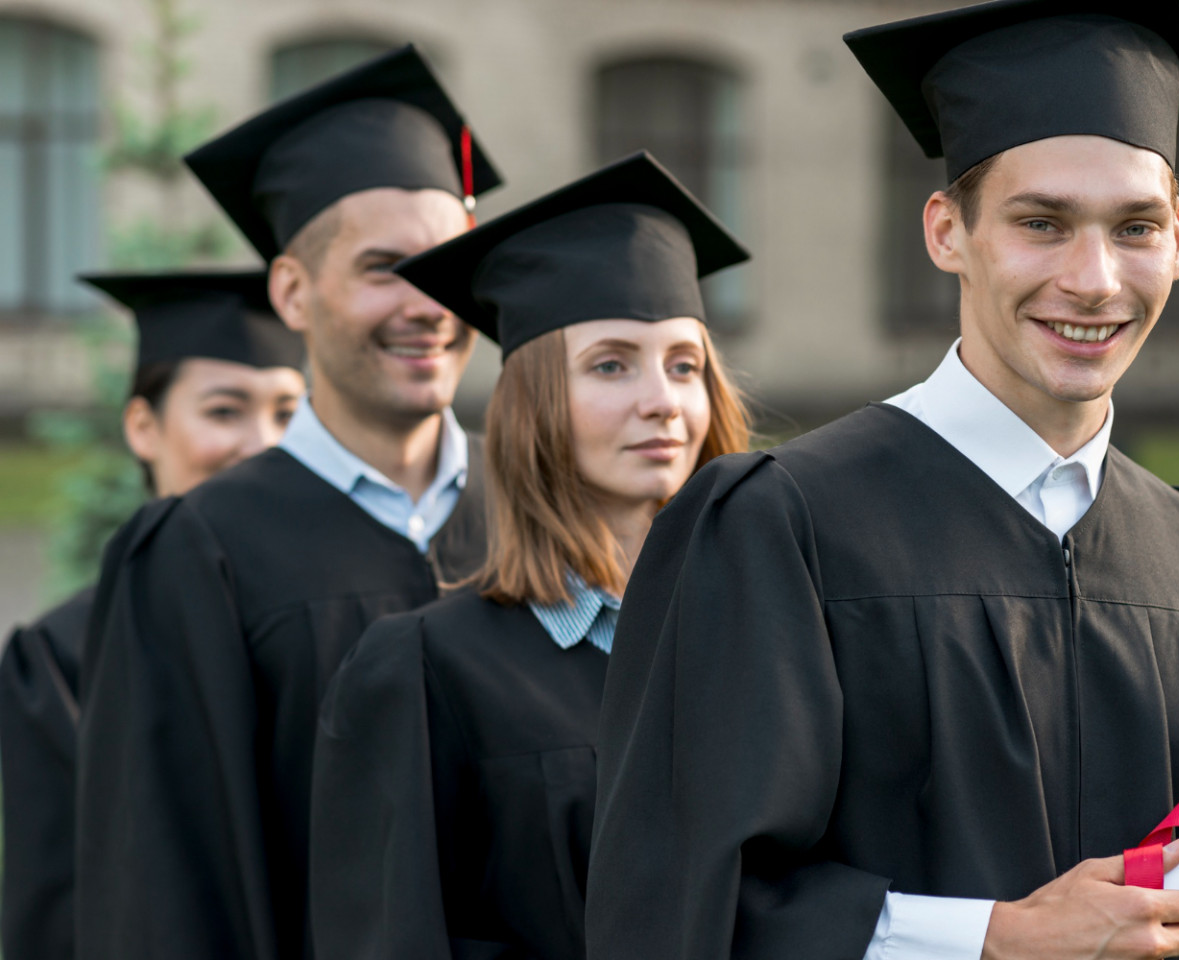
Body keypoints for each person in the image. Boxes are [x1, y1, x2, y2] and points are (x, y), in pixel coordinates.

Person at [587, 4, 1179, 960]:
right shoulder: (783, 525)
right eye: (1042, 223)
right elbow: (688, 909)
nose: (1096, 278)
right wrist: (997, 937)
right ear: (947, 231)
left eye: (1136, 226)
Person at [75, 45, 501, 960]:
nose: (428, 302)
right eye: (386, 267)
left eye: (448, 261)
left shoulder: (548, 517)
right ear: (293, 293)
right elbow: (163, 886)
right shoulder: (202, 552)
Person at [307, 151, 752, 960]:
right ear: (535, 403)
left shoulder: (771, 638)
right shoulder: (430, 670)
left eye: (684, 366)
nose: (662, 400)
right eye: (611, 364)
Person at [1, 269, 305, 960]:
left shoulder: (340, 625)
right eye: (224, 411)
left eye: (288, 414)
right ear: (143, 426)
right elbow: (55, 916)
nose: (260, 444)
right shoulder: (60, 655)